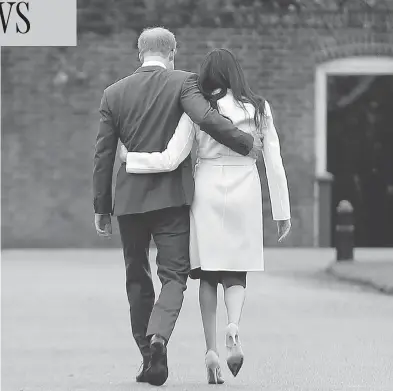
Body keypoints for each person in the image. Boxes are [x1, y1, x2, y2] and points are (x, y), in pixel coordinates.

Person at [93, 28, 261, 387]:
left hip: (130, 201)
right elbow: (207, 120)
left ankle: (147, 353)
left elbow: (104, 155)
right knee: (174, 276)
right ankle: (159, 338)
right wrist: (246, 143)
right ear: (172, 52)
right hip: (172, 200)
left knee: (136, 276)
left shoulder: (113, 93)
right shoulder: (185, 82)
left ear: (139, 53)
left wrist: (102, 208)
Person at [119, 48, 291, 384]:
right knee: (236, 268)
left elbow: (171, 158)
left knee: (207, 272)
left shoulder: (198, 110)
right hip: (245, 187)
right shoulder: (259, 107)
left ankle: (211, 350)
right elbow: (274, 160)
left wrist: (131, 159)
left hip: (208, 188)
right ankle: (234, 326)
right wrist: (281, 211)